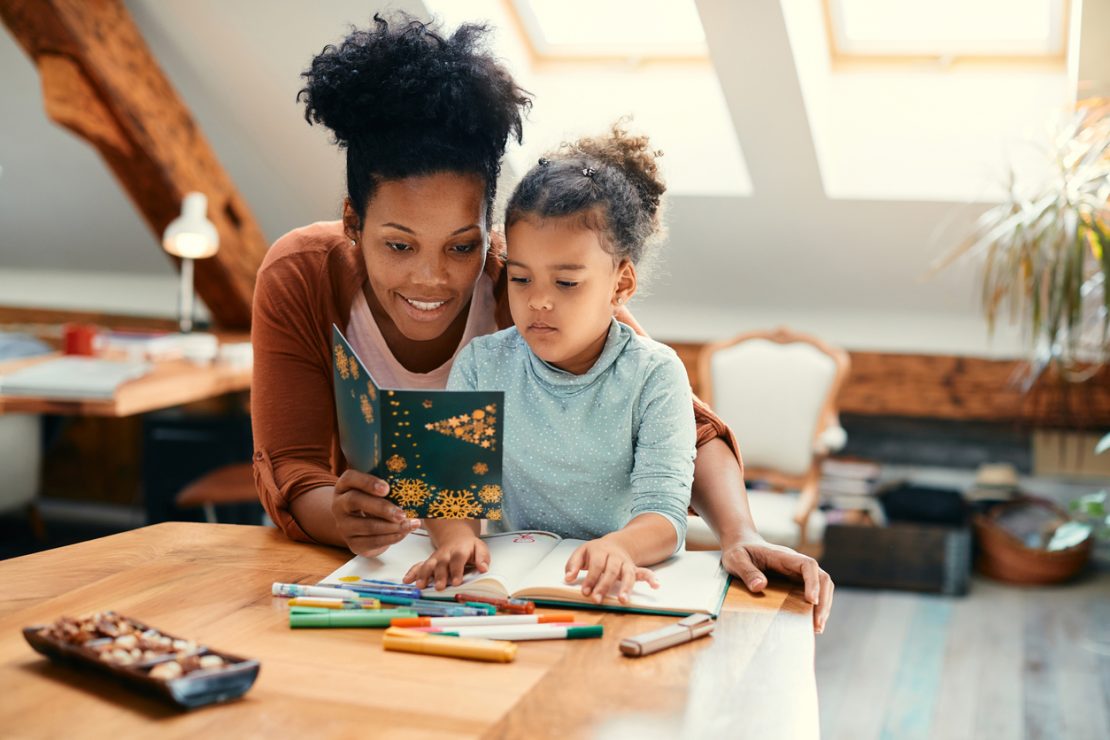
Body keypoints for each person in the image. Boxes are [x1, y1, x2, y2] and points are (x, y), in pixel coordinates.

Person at [250, 13, 834, 632]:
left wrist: (739, 533)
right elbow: (290, 465)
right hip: (378, 580)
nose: (432, 280)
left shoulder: (525, 281)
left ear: (490, 232)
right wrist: (338, 517)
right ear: (353, 222)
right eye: (398, 246)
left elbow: (684, 428)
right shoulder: (301, 276)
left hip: (525, 583)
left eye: (461, 246)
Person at [405, 125, 693, 604]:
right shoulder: (481, 363)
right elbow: (447, 490)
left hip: (606, 590)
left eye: (566, 283)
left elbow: (665, 514)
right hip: (506, 588)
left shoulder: (655, 376)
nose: (538, 301)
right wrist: (456, 537)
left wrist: (621, 547)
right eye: (520, 278)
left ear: (620, 285)